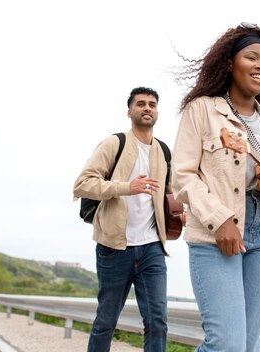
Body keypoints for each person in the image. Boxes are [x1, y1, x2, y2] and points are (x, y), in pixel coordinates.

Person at [171, 22, 260, 352]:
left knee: (252, 346)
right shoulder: (203, 110)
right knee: (226, 345)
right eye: (251, 57)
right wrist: (219, 218)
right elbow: (182, 177)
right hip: (216, 230)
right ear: (229, 64)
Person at [73, 87, 170, 352]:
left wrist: (179, 211)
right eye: (141, 104)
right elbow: (82, 184)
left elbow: (170, 194)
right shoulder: (114, 143)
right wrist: (126, 187)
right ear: (130, 112)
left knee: (158, 322)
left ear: (157, 112)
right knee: (106, 321)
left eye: (152, 104)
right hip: (114, 248)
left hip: (152, 248)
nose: (147, 108)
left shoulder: (163, 151)